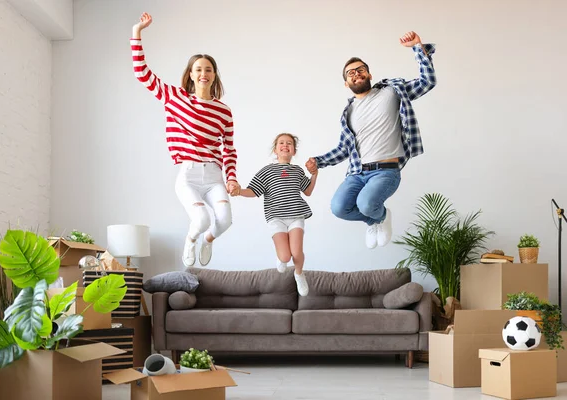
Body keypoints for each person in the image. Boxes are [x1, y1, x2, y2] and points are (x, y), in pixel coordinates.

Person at [306, 31, 437, 249]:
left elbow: (427, 81)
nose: (356, 74)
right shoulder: (348, 112)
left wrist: (417, 47)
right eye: (350, 73)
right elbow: (343, 148)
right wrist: (318, 161)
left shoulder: (392, 91)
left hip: (386, 171)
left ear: (369, 74)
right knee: (339, 208)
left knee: (366, 203)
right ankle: (376, 220)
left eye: (360, 70)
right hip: (358, 173)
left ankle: (380, 215)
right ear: (346, 83)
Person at [131, 12, 241, 267]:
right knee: (200, 219)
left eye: (208, 69)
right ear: (191, 74)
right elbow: (141, 73)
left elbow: (229, 148)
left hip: (214, 176)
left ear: (214, 75)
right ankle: (191, 240)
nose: (204, 73)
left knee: (224, 220)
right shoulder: (175, 97)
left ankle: (207, 241)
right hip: (189, 174)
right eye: (198, 69)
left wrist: (232, 177)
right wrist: (137, 32)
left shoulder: (223, 110)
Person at [234, 133, 317, 296]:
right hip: (276, 218)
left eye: (289, 143)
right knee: (286, 257)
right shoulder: (267, 171)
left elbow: (307, 191)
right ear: (275, 150)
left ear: (294, 151)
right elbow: (254, 191)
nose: (285, 145)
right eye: (281, 143)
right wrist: (239, 191)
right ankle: (281, 258)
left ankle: (299, 274)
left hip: (295, 215)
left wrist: (315, 174)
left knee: (297, 252)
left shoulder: (297, 170)